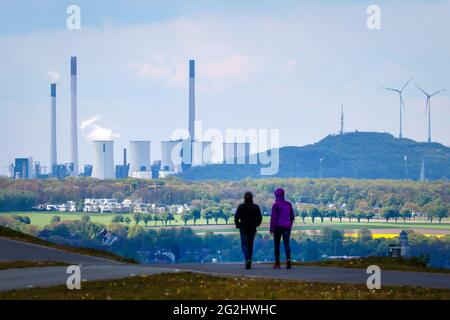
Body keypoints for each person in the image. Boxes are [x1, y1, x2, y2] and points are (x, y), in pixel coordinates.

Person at [235, 191, 262, 269]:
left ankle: (247, 258)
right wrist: (257, 224)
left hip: (243, 228)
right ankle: (249, 258)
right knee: (250, 245)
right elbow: (259, 218)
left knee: (244, 244)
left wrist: (238, 225)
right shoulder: (256, 207)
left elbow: (236, 217)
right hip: (252, 228)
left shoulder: (241, 206)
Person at [270, 188, 295, 269]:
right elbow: (291, 216)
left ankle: (277, 263)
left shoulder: (275, 205)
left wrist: (271, 229)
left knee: (276, 245)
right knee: (286, 244)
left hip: (278, 226)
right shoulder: (288, 204)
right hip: (287, 226)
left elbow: (273, 218)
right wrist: (290, 225)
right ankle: (288, 260)